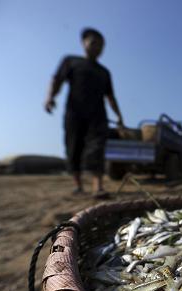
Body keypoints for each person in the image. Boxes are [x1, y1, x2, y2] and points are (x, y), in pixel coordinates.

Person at [44, 28, 124, 198]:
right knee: (73, 148)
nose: (98, 48)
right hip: (74, 114)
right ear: (84, 43)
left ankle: (98, 187)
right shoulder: (71, 61)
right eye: (94, 43)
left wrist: (119, 115)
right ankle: (78, 186)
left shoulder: (104, 72)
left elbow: (110, 96)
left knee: (97, 148)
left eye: (101, 45)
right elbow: (56, 79)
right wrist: (50, 97)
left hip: (98, 115)